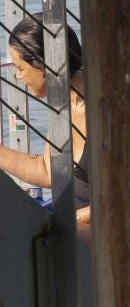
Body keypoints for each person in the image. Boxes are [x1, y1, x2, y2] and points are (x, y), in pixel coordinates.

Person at [0, 13, 91, 243]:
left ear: (43, 63)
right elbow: (47, 171)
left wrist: (72, 218)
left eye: (20, 68)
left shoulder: (98, 106)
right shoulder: (65, 102)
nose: (18, 77)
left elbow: (124, 194)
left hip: (107, 233)